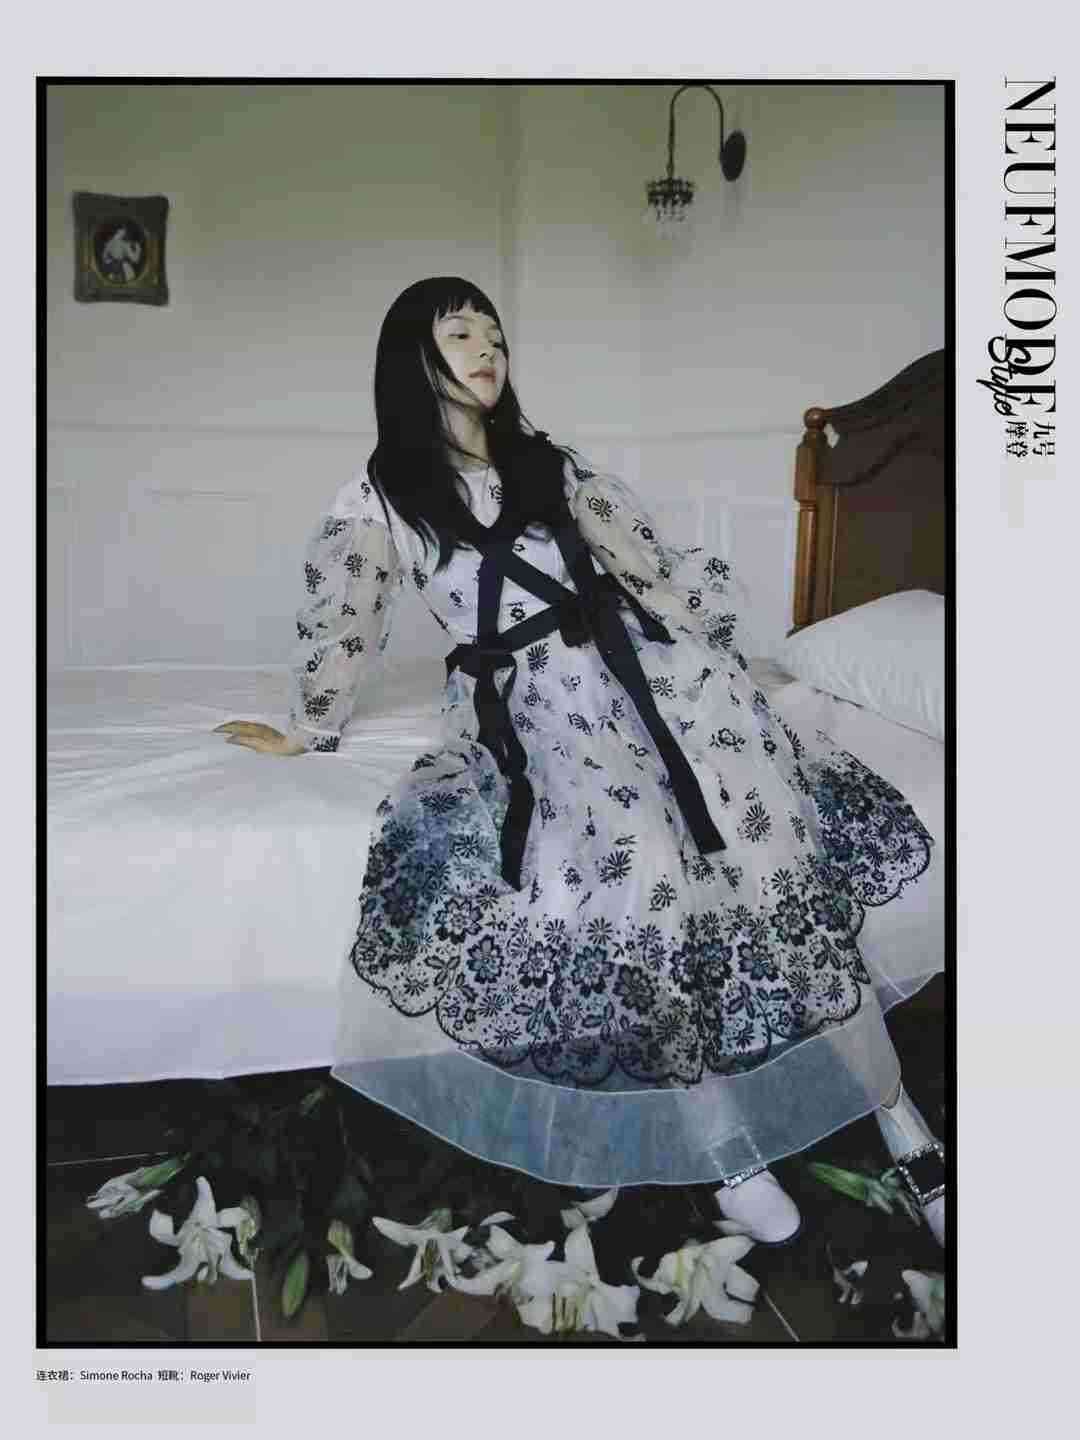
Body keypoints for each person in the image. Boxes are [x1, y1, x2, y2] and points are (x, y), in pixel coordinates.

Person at [218, 277, 945, 1248]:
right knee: (637, 864)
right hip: (530, 706)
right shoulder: (379, 497)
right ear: (413, 359)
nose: (488, 349)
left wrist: (729, 668)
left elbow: (652, 569)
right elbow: (342, 618)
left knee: (774, 854)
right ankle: (724, 1143)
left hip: (649, 679)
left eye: (494, 333)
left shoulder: (552, 465)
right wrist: (310, 724)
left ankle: (903, 1121)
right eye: (461, 334)